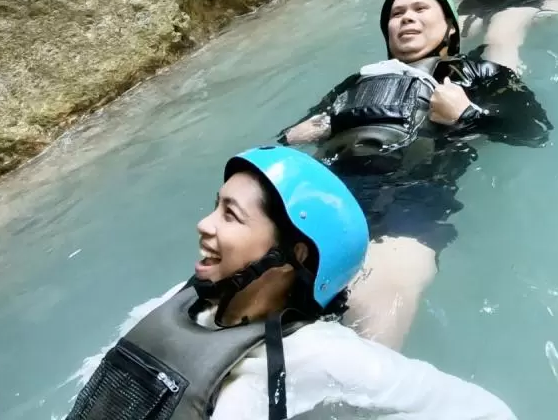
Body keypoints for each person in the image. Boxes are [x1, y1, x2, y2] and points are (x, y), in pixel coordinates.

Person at [63, 146, 519, 420]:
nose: (204, 224)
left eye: (231, 215)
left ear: (293, 255)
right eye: (215, 206)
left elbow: (483, 411)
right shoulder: (183, 306)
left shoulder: (316, 355)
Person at [280, 0, 551, 349]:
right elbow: (291, 137)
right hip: (326, 192)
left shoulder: (478, 74)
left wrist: (468, 114)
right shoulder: (356, 83)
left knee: (382, 289)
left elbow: (534, 130)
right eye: (396, 14)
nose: (406, 18)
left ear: (451, 28)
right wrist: (298, 133)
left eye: (420, 9)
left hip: (411, 198)